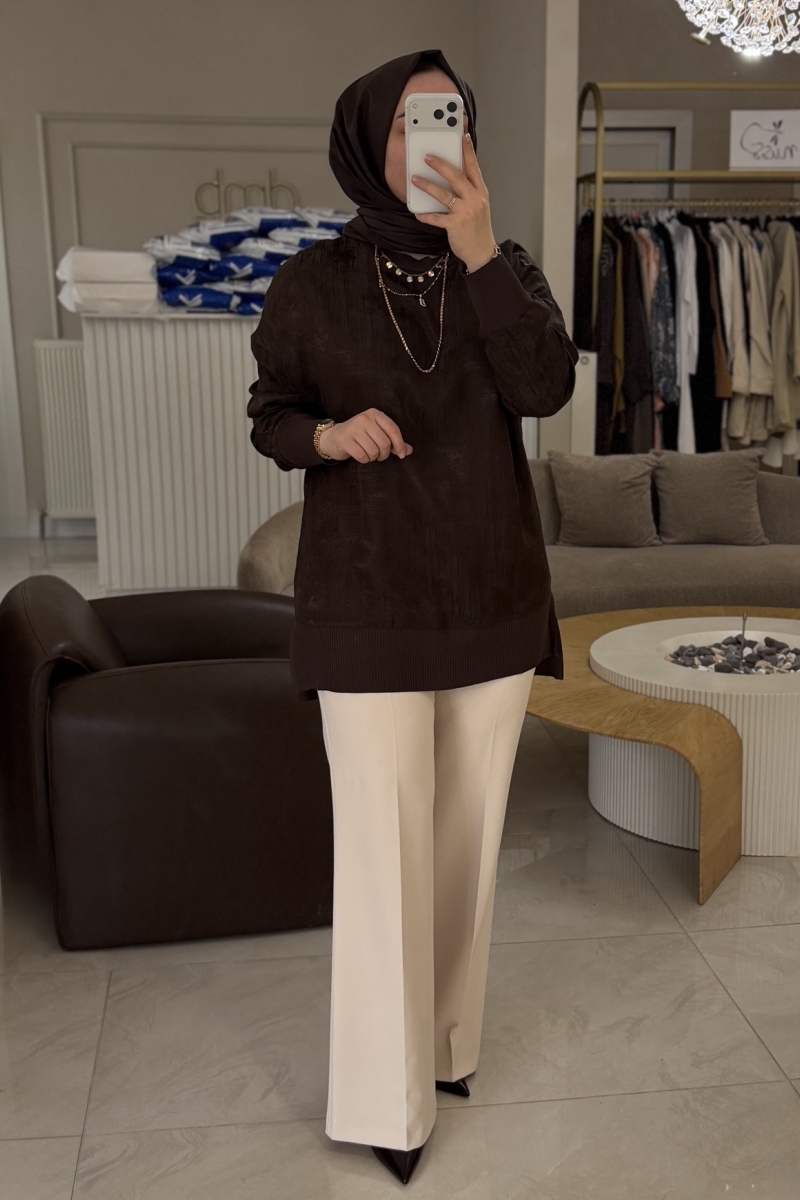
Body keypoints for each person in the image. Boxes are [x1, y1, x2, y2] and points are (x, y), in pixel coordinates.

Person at [247, 47, 578, 1186]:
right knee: (384, 855)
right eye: (410, 121)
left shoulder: (507, 269)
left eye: (453, 119)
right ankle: (386, 1105)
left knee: (463, 847)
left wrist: (479, 251)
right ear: (363, 139)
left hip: (491, 590)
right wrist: (328, 436)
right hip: (365, 598)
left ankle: (446, 1050)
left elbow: (544, 388)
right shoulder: (310, 281)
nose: (437, 140)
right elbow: (270, 413)